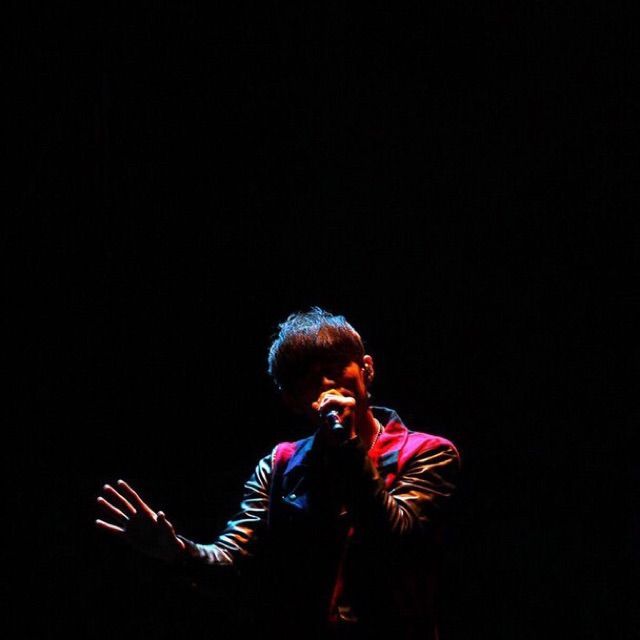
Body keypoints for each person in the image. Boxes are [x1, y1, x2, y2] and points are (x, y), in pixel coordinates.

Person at [96, 307, 461, 639]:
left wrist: (347, 446)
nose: (325, 382)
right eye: (307, 377)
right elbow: (234, 560)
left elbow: (398, 539)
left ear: (367, 368)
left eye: (336, 366)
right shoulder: (279, 465)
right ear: (292, 400)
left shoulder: (428, 454)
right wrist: (178, 551)